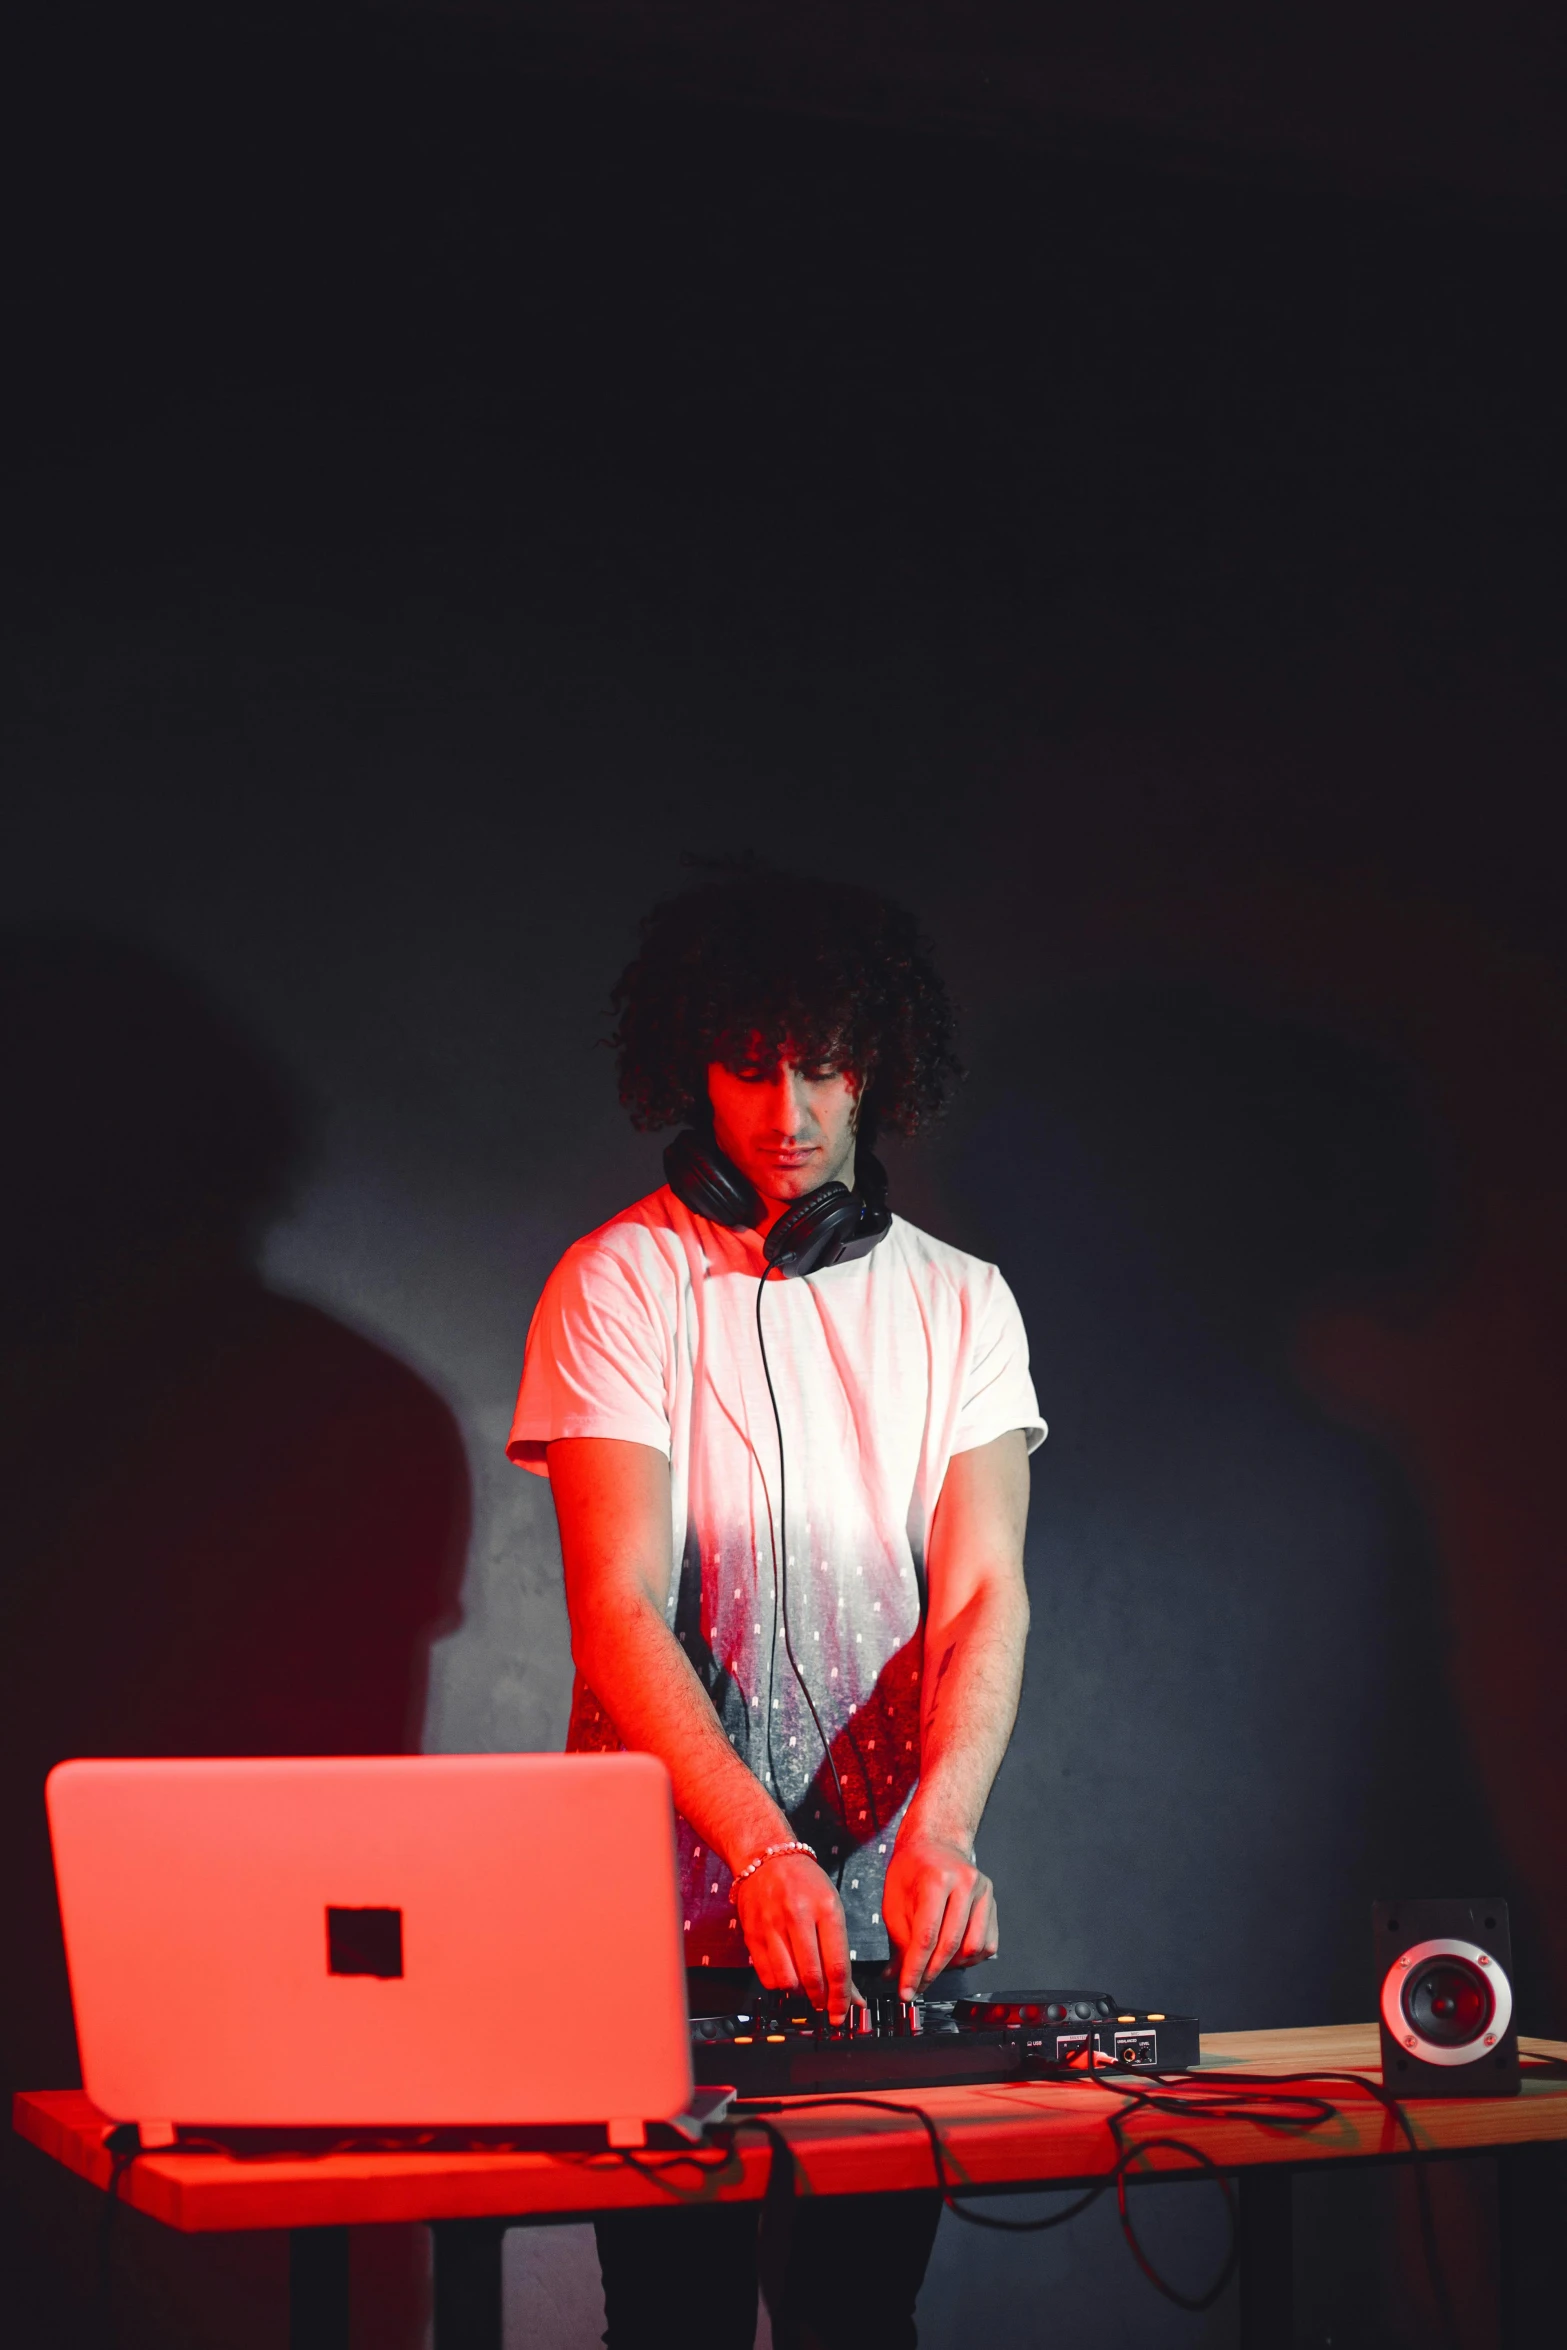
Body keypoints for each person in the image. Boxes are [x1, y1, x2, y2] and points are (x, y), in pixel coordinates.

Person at [508, 865, 1045, 2350]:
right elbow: (615, 1604)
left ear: (874, 1060)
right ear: (693, 1063)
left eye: (820, 1064)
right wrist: (755, 1843)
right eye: (751, 1066)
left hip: (885, 1930)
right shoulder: (617, 1282)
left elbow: (985, 1589)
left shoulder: (961, 1302)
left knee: (858, 2329)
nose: (787, 1109)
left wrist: (939, 1826)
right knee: (668, 2328)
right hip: (654, 1929)